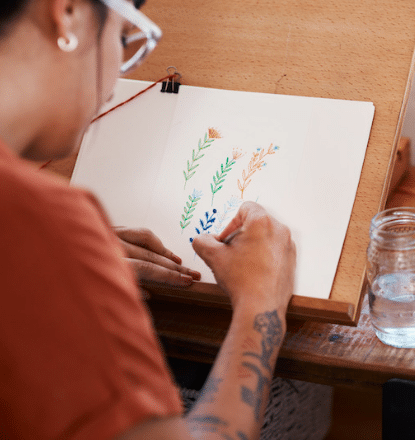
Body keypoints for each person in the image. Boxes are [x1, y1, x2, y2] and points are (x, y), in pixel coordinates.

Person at [0, 0, 297, 439]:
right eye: (122, 37)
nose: (117, 76)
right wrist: (261, 303)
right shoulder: (37, 224)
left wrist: (62, 267)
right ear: (67, 13)